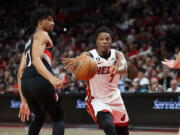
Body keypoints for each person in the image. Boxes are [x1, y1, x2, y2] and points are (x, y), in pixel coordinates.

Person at [63, 26, 129, 135]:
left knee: (123, 133)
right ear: (96, 41)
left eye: (107, 39)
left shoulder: (117, 54)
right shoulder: (90, 55)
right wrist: (77, 61)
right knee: (108, 126)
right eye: (101, 39)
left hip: (116, 99)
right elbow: (83, 56)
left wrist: (117, 69)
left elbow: (124, 67)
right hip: (97, 100)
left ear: (111, 41)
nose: (104, 42)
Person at [17, 8, 64, 135]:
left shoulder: (28, 43)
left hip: (26, 83)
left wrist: (24, 100)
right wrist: (51, 78)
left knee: (39, 117)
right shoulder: (42, 34)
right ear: (39, 22)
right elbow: (36, 60)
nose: (53, 23)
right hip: (40, 80)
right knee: (58, 119)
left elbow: (20, 72)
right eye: (49, 20)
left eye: (53, 20)